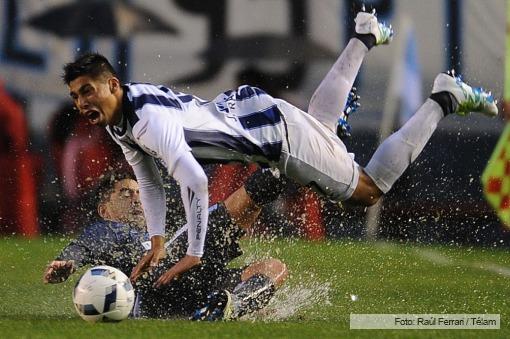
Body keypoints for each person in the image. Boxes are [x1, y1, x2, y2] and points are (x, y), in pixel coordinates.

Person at [62, 10, 498, 287]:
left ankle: (444, 98)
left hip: (275, 139)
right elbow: (149, 181)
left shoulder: (147, 122)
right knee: (324, 126)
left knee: (368, 191)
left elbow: (193, 180)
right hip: (253, 111)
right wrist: (157, 242)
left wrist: (193, 251)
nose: (82, 103)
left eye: (88, 92)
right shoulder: (123, 114)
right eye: (76, 97)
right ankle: (364, 36)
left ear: (112, 85)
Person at [43, 170, 288, 319]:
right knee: (260, 187)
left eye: (140, 193)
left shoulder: (157, 233)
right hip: (162, 277)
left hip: (192, 292)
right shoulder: (108, 229)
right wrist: (68, 260)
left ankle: (232, 307)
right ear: (104, 210)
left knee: (273, 268)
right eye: (126, 194)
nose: (137, 200)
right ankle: (281, 165)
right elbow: (84, 246)